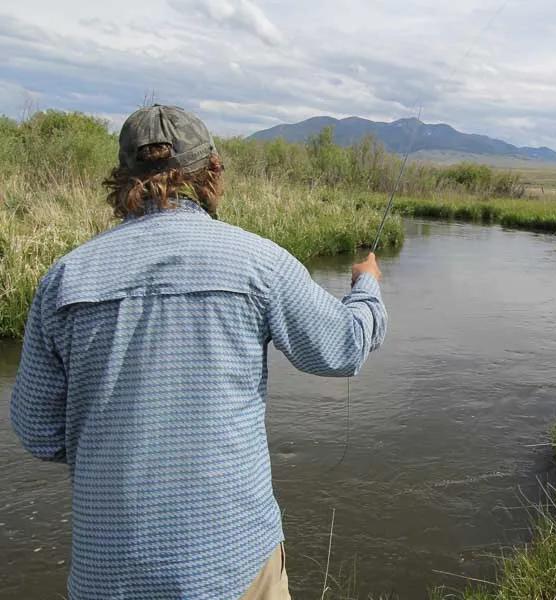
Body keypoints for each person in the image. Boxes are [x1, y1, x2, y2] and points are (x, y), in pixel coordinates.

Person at [9, 105, 387, 599]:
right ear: (212, 170)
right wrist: (367, 287)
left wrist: (115, 446)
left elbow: (38, 433)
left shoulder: (63, 280)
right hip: (233, 564)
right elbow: (345, 348)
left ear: (121, 179)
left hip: (108, 575)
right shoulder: (259, 262)